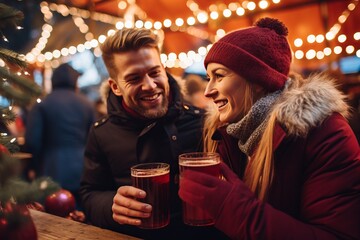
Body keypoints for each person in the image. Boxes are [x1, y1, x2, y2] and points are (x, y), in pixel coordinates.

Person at [178, 17, 360, 240]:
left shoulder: (325, 133)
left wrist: (235, 210)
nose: (208, 91)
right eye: (208, 78)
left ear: (258, 79)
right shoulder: (227, 132)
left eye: (219, 76)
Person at [79, 28, 228, 239]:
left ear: (164, 70)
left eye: (154, 72)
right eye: (133, 78)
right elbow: (89, 194)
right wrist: (110, 205)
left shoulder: (203, 121)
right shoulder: (102, 133)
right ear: (115, 87)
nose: (149, 85)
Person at [25, 63, 96, 208]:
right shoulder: (87, 104)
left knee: (53, 218)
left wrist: (33, 167)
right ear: (74, 81)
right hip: (84, 169)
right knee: (82, 217)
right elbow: (94, 139)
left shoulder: (41, 105)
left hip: (50, 169)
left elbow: (32, 142)